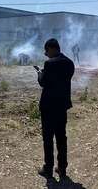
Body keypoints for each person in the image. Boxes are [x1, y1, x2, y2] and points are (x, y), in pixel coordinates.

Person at [34, 38, 75, 181]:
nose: (46, 54)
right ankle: (62, 168)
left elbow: (44, 83)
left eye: (47, 50)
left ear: (52, 48)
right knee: (61, 137)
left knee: (48, 138)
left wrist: (40, 74)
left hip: (48, 106)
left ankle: (48, 168)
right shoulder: (69, 63)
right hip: (62, 106)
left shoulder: (49, 64)